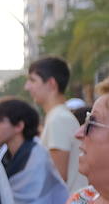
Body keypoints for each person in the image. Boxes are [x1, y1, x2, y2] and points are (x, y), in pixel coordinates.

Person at [27, 56, 83, 192]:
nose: (27, 87)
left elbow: (57, 177)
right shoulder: (57, 117)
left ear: (51, 83)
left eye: (32, 80)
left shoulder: (58, 119)